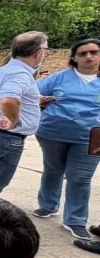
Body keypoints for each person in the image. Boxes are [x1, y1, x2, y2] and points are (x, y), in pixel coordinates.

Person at [31, 39, 100, 241]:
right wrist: (40, 100)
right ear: (74, 58)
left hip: (92, 137)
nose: (89, 56)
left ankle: (75, 220)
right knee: (53, 169)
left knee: (81, 177)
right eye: (83, 53)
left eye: (94, 52)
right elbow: (31, 92)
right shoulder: (59, 77)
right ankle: (48, 205)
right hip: (53, 133)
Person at [0, 31, 48, 195]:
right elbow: (7, 99)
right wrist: (13, 120)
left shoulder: (1, 71)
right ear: (39, 52)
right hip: (6, 139)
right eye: (46, 49)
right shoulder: (21, 74)